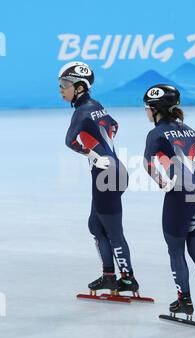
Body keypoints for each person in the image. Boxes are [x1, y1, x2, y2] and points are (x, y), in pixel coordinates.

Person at [143, 84, 195, 319]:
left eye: (148, 108)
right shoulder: (188, 130)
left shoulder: (156, 134)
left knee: (176, 252)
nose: (146, 113)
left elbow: (147, 163)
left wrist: (163, 183)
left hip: (179, 199)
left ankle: (184, 302)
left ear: (156, 110)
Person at [59, 61, 138, 294]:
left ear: (80, 87)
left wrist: (91, 153)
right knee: (96, 224)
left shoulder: (81, 111)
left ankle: (128, 278)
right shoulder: (96, 105)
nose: (61, 89)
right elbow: (114, 124)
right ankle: (109, 276)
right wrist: (104, 148)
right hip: (114, 170)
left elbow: (70, 142)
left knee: (113, 231)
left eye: (65, 84)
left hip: (106, 174)